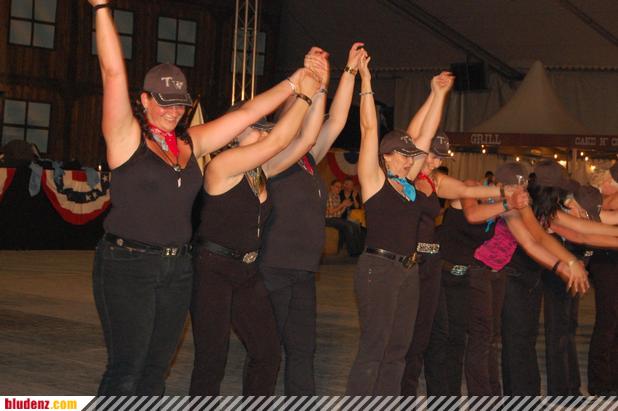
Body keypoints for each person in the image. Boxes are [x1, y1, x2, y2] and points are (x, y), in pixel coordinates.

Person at [89, 0, 306, 395]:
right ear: (145, 100)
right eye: (164, 102)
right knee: (127, 369)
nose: (173, 111)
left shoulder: (190, 144)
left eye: (179, 104)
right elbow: (113, 72)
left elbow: (247, 113)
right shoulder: (126, 140)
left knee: (155, 371)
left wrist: (295, 82)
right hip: (128, 264)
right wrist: (102, 8)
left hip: (178, 267)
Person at [259, 43, 366, 395]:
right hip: (272, 269)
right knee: (266, 353)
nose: (305, 115)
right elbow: (307, 125)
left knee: (303, 351)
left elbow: (336, 120)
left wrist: (345, 73)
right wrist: (313, 83)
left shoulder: (307, 158)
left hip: (303, 271)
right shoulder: (269, 158)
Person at [346, 51, 453, 395]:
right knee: (374, 349)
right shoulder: (374, 180)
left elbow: (427, 133)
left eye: (412, 156)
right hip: (378, 268)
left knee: (397, 351)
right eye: (404, 156)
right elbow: (368, 129)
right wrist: (366, 80)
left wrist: (438, 94)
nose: (410, 161)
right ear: (387, 156)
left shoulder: (408, 185)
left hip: (408, 270)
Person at [325, 179, 364, 256]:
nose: (339, 189)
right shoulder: (328, 195)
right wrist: (342, 204)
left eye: (340, 187)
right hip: (328, 219)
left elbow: (339, 214)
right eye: (337, 186)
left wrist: (345, 206)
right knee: (348, 225)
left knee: (354, 225)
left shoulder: (337, 197)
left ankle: (359, 250)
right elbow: (331, 212)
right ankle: (353, 252)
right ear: (331, 187)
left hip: (335, 219)